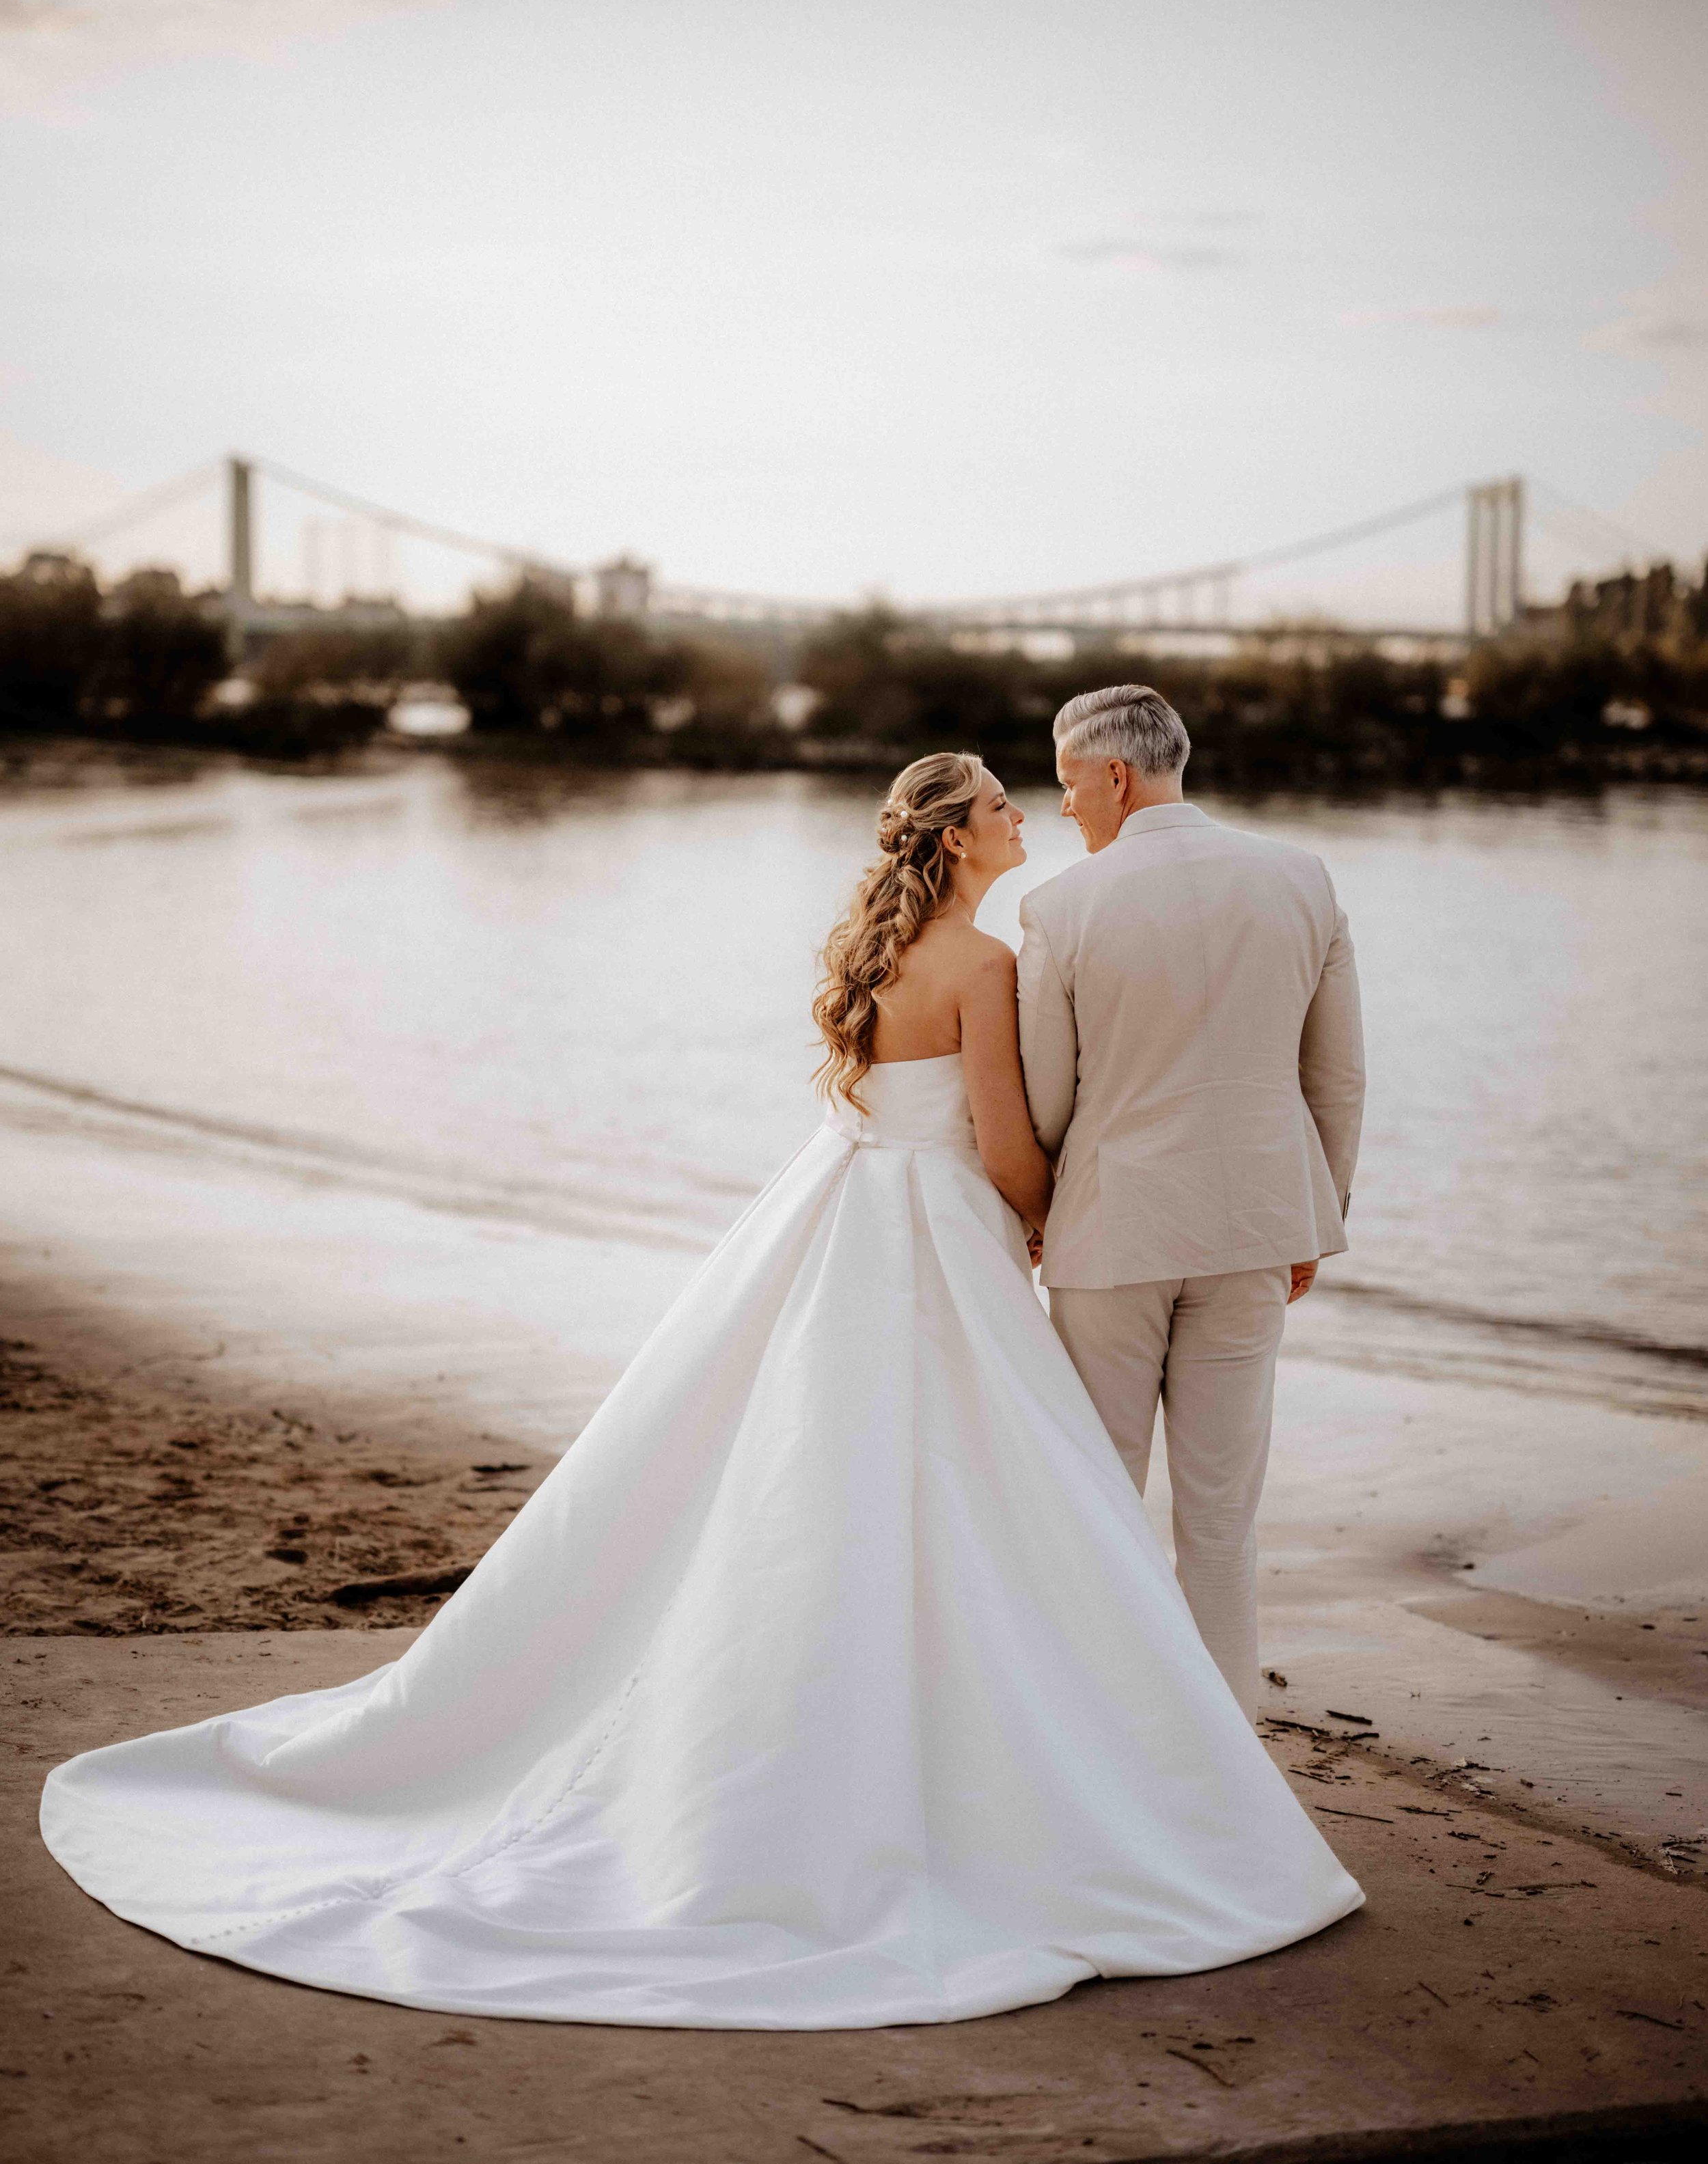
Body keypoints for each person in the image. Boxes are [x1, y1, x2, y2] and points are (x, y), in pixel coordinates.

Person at [40, 752, 1360, 2031]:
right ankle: (1107, 1756)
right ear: (957, 836)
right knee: (1004, 1495)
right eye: (1006, 807)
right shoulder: (991, 962)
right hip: (943, 1235)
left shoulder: (884, 956)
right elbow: (1013, 1149)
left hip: (848, 1216)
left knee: (820, 1480)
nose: (1029, 818)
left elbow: (897, 1111)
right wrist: (1068, 1224)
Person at [1019, 687, 1366, 1721]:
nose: (1065, 804)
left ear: (1115, 776)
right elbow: (1336, 1079)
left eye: (1070, 781)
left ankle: (1105, 1738)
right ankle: (1229, 1778)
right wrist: (1317, 1215)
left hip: (1112, 1235)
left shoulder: (1063, 907)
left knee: (1100, 1500)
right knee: (1222, 1522)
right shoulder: (1302, 879)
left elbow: (1046, 1101)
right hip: (1255, 1230)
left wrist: (1040, 1214)